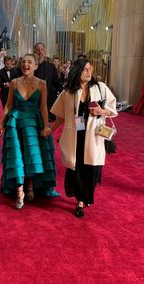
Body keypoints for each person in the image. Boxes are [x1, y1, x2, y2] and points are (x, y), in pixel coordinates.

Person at [50, 58, 118, 218]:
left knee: (94, 169)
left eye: (90, 68)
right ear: (77, 71)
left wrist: (102, 111)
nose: (89, 72)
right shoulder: (69, 92)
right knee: (78, 169)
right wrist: (50, 130)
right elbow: (60, 116)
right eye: (85, 69)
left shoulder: (100, 88)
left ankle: (86, 195)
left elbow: (113, 109)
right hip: (75, 136)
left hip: (94, 136)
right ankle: (80, 201)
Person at [0, 53, 59, 209]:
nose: (26, 64)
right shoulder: (14, 83)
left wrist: (46, 126)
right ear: (20, 65)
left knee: (31, 155)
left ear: (35, 66)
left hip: (34, 123)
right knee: (17, 156)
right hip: (16, 123)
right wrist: (0, 124)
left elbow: (43, 106)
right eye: (24, 62)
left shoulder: (41, 83)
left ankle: (30, 186)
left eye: (30, 62)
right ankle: (19, 190)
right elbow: (8, 106)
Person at [34, 43, 63, 122]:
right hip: (33, 101)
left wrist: (64, 92)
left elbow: (56, 82)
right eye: (38, 50)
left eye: (42, 49)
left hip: (48, 99)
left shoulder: (51, 66)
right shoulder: (30, 66)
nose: (40, 52)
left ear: (45, 51)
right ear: (34, 52)